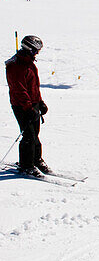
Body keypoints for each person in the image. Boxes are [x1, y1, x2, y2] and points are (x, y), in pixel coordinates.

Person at [5, 35, 49, 175]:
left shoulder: (29, 63)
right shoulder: (15, 66)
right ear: (29, 49)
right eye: (36, 51)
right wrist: (28, 108)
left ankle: (36, 160)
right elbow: (19, 90)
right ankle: (26, 165)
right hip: (21, 106)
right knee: (28, 135)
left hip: (32, 104)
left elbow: (34, 87)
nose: (37, 54)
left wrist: (40, 103)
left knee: (35, 134)